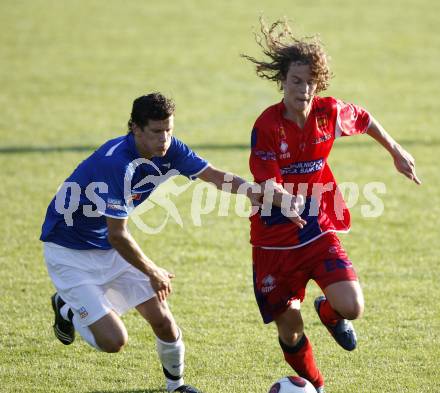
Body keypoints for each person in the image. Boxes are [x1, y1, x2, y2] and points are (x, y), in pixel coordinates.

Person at [242, 19, 421, 393]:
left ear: (318, 83)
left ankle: (328, 310)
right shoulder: (268, 126)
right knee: (290, 329)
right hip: (274, 240)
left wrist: (396, 151)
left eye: (310, 82)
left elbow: (366, 119)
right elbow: (266, 181)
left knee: (352, 306)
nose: (303, 89)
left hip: (316, 227)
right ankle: (317, 387)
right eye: (295, 81)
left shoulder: (329, 113)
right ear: (282, 81)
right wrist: (283, 197)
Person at [40, 92, 260, 393]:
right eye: (157, 132)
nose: (165, 139)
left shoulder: (170, 149)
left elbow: (213, 175)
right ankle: (66, 307)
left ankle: (176, 386)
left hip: (107, 246)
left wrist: (256, 192)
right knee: (114, 342)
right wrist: (153, 270)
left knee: (163, 319)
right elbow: (118, 235)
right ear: (135, 128)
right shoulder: (115, 164)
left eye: (169, 129)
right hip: (69, 251)